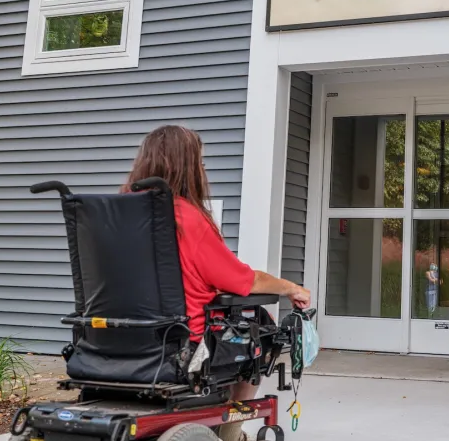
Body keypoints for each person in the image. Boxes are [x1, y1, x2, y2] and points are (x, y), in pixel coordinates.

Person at [126, 125, 311, 441]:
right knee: (260, 331)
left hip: (116, 340)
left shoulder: (119, 215)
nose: (202, 168)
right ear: (186, 166)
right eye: (200, 161)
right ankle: (231, 434)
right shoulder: (186, 218)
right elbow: (244, 280)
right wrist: (292, 288)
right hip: (182, 348)